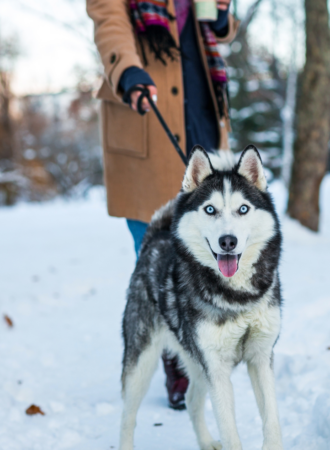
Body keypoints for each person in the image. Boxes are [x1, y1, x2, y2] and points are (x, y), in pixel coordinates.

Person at [87, 0, 239, 410]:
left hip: (202, 112)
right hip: (145, 111)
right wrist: (126, 69)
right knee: (157, 248)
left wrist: (223, 17)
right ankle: (177, 359)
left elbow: (221, 29)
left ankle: (210, 342)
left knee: (211, 240)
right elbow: (110, 21)